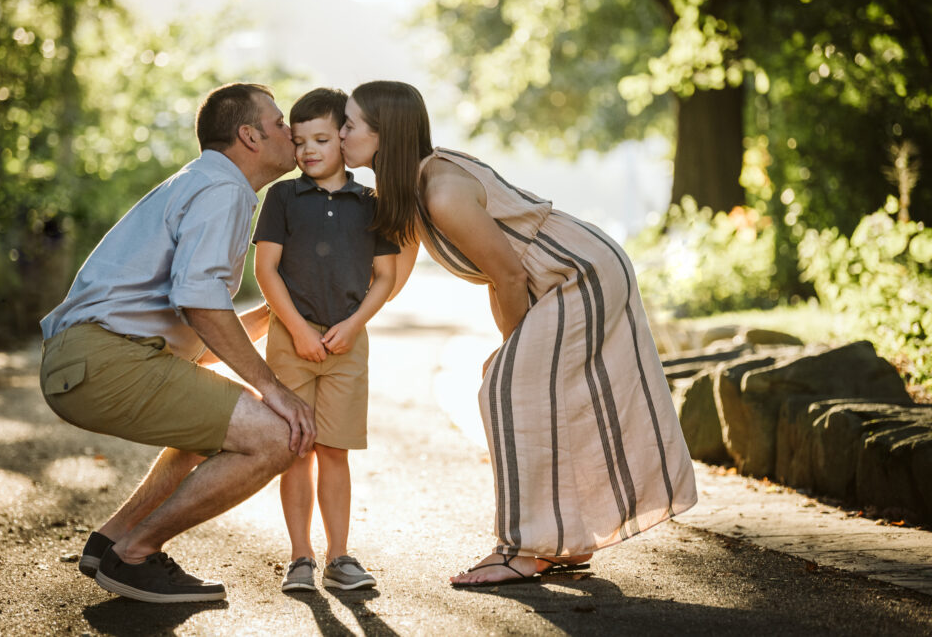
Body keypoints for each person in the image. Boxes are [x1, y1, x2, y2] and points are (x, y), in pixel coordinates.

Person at [339, 80, 698, 587]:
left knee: (507, 388)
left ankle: (523, 550)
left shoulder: (441, 191)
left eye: (350, 124)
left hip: (581, 273)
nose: (340, 132)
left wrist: (514, 347)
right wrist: (290, 318)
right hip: (561, 278)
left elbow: (508, 275)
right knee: (514, 387)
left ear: (384, 134)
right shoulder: (410, 191)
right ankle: (558, 542)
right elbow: (390, 281)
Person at [38, 82, 317, 603]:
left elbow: (196, 326)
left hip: (92, 358)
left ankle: (114, 539)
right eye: (279, 123)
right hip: (104, 359)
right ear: (249, 135)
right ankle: (137, 555)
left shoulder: (207, 182)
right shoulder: (225, 189)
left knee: (206, 426)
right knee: (275, 435)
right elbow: (200, 302)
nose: (291, 131)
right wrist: (272, 389)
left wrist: (279, 313)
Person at [253, 88, 398, 592]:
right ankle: (301, 558)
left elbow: (384, 276)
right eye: (298, 141)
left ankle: (340, 557)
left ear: (343, 137)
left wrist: (354, 325)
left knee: (335, 450)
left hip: (347, 346)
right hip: (291, 340)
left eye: (320, 138)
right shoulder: (283, 197)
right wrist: (296, 329)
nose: (308, 150)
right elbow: (266, 269)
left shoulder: (371, 203)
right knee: (297, 448)